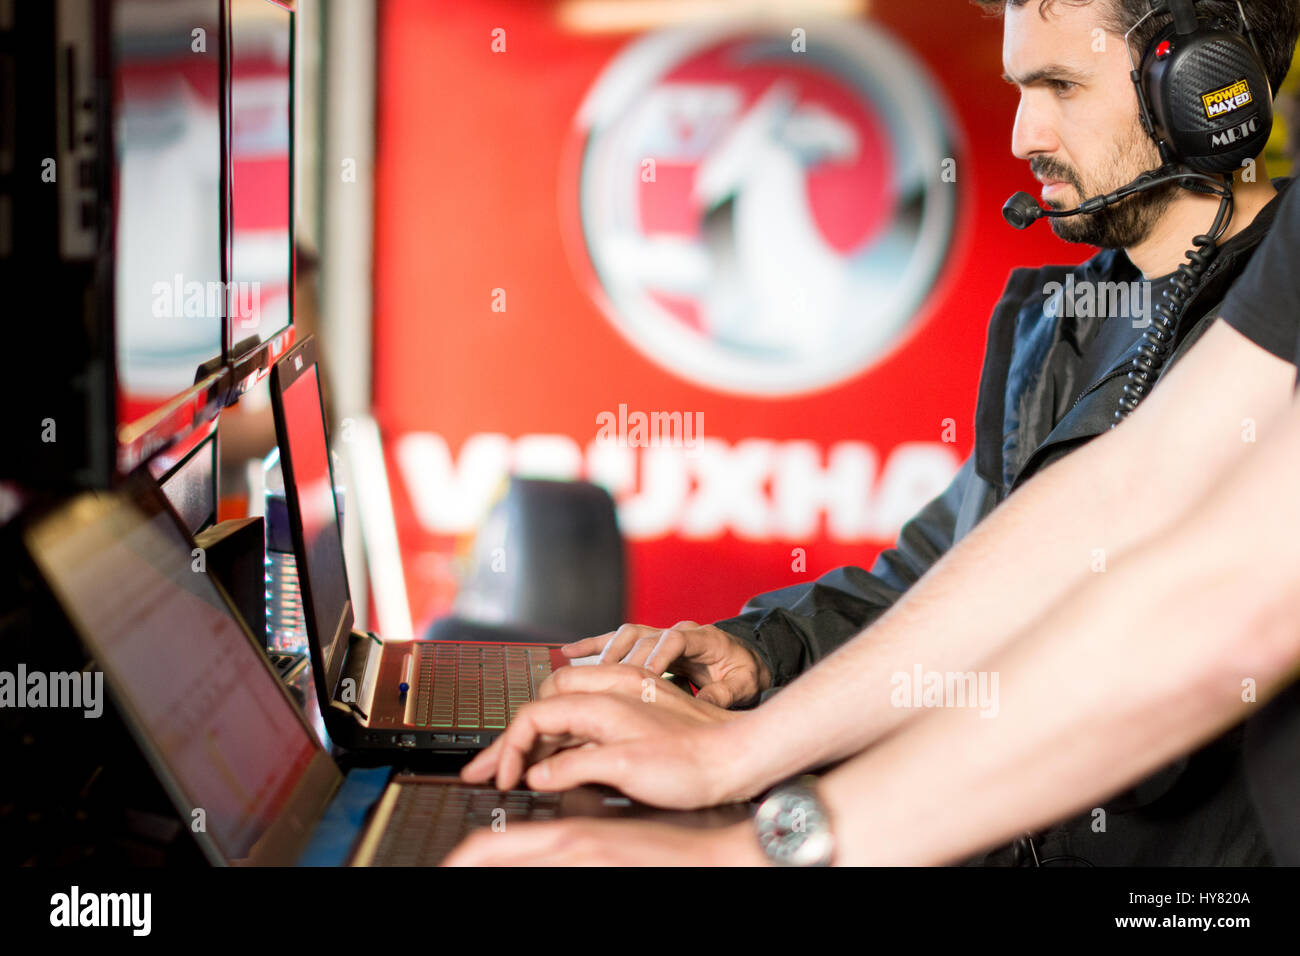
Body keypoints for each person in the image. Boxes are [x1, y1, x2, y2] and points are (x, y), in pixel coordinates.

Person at [457, 0, 1300, 865]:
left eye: (1060, 85)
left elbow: (1199, 622)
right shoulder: (1066, 322)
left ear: (1207, 91)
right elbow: (951, 570)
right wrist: (761, 658)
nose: (1023, 134)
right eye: (1018, 87)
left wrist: (762, 832)